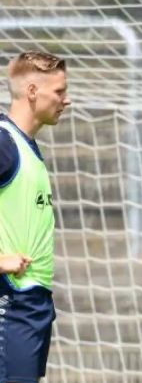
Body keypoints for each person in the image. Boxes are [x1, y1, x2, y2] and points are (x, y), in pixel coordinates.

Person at [0, 50, 70, 382]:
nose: (66, 100)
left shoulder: (27, 147)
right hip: (10, 301)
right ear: (31, 92)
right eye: (59, 92)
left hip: (34, 302)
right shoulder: (3, 144)